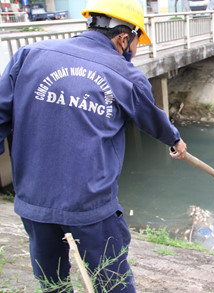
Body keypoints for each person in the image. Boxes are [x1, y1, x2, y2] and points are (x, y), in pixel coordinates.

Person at [0, 0, 187, 292]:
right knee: (113, 284)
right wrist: (174, 140)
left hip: (34, 203)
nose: (136, 52)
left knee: (52, 284)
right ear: (124, 38)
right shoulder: (126, 76)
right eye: (138, 43)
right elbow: (153, 119)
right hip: (91, 208)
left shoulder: (29, 55)